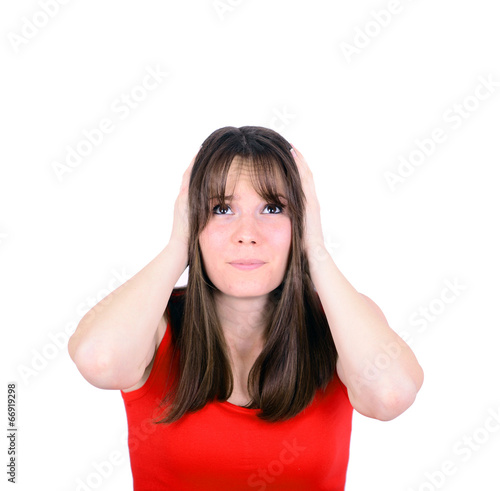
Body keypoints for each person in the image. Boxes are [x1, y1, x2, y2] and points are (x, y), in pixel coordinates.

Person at [68, 125, 424, 490]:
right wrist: (179, 245)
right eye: (222, 208)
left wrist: (315, 248)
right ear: (194, 221)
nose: (247, 233)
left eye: (272, 208)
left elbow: (390, 395)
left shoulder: (339, 321)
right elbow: (100, 361)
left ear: (299, 222)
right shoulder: (153, 322)